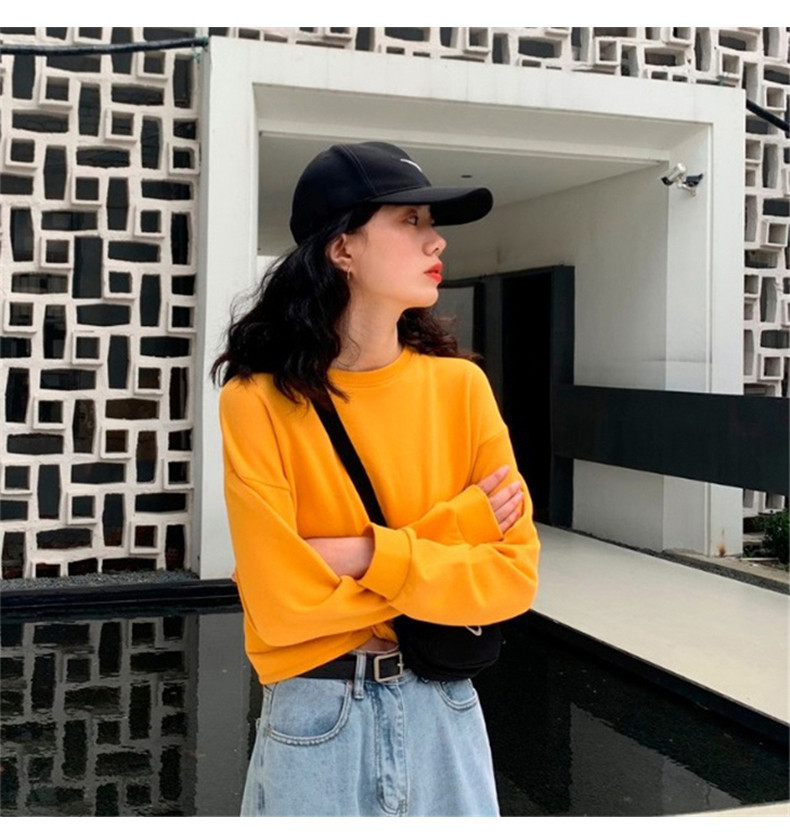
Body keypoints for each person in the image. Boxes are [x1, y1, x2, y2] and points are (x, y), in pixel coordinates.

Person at [212, 141, 540, 817]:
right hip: (316, 717)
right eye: (410, 221)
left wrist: (357, 554)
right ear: (343, 248)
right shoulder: (257, 401)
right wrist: (458, 529)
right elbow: (278, 605)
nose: (435, 240)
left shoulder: (462, 389)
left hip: (444, 707)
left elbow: (512, 580)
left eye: (430, 223)